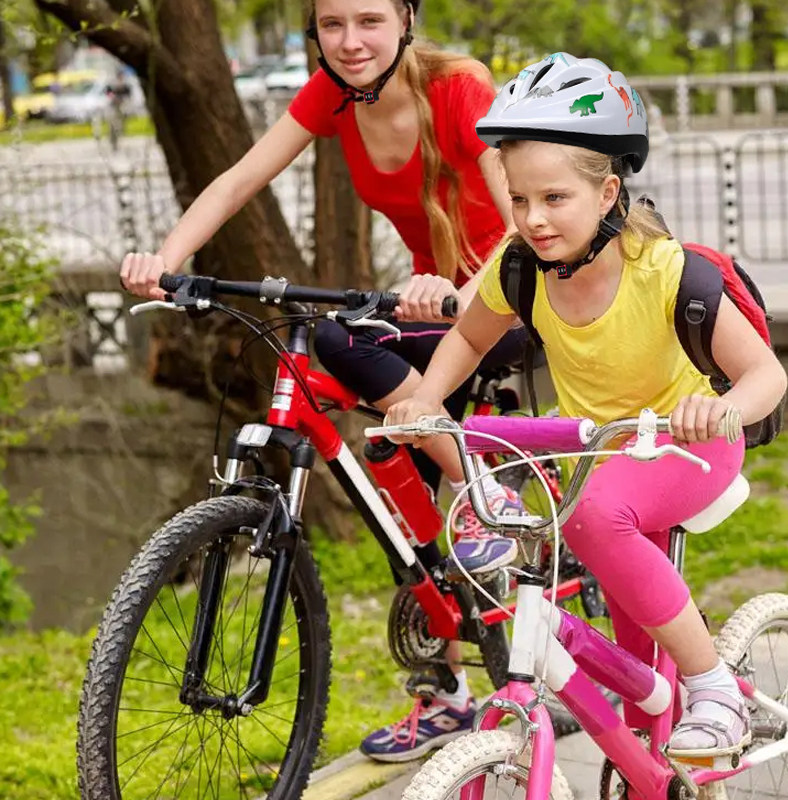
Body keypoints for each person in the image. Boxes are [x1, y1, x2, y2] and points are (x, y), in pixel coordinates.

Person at [119, 0, 531, 763]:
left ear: (406, 19)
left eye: (368, 20)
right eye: (332, 23)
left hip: (507, 300)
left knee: (355, 357)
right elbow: (239, 179)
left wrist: (460, 295)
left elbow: (522, 226)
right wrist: (166, 260)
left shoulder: (460, 87)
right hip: (431, 308)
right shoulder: (331, 93)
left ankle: (486, 492)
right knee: (394, 478)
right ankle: (447, 692)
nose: (349, 41)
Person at [384, 52, 788, 760]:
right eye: (518, 200)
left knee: (599, 517)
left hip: (689, 443)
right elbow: (469, 338)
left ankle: (714, 683)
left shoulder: (666, 274)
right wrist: (424, 397)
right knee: (638, 680)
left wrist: (717, 412)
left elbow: (765, 376)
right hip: (598, 451)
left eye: (554, 199)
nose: (532, 220)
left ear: (607, 195)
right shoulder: (520, 267)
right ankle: (651, 753)